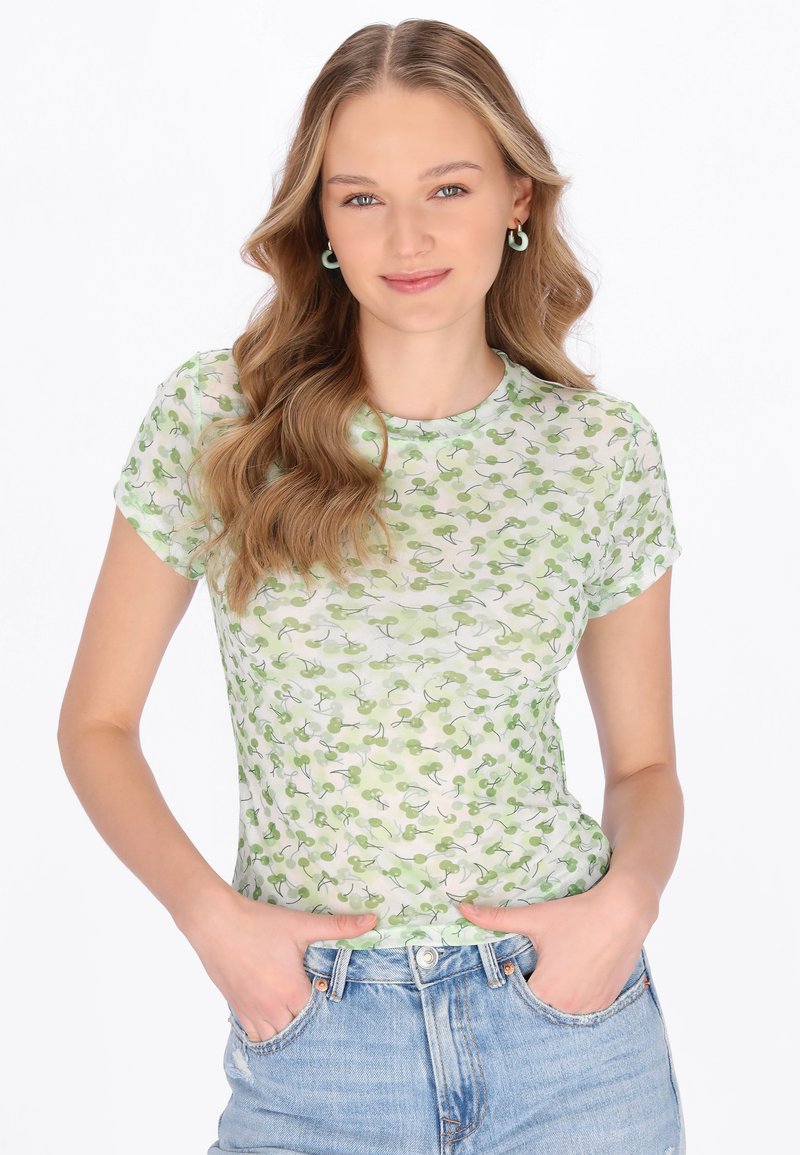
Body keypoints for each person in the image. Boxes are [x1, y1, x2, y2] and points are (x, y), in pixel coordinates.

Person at [58, 18, 687, 1155]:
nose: (408, 236)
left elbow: (643, 767)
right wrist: (214, 924)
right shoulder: (221, 421)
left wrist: (623, 907)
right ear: (321, 222)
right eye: (361, 197)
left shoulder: (597, 451)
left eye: (447, 187)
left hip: (570, 1036)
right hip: (318, 1038)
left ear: (516, 197)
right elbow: (97, 724)